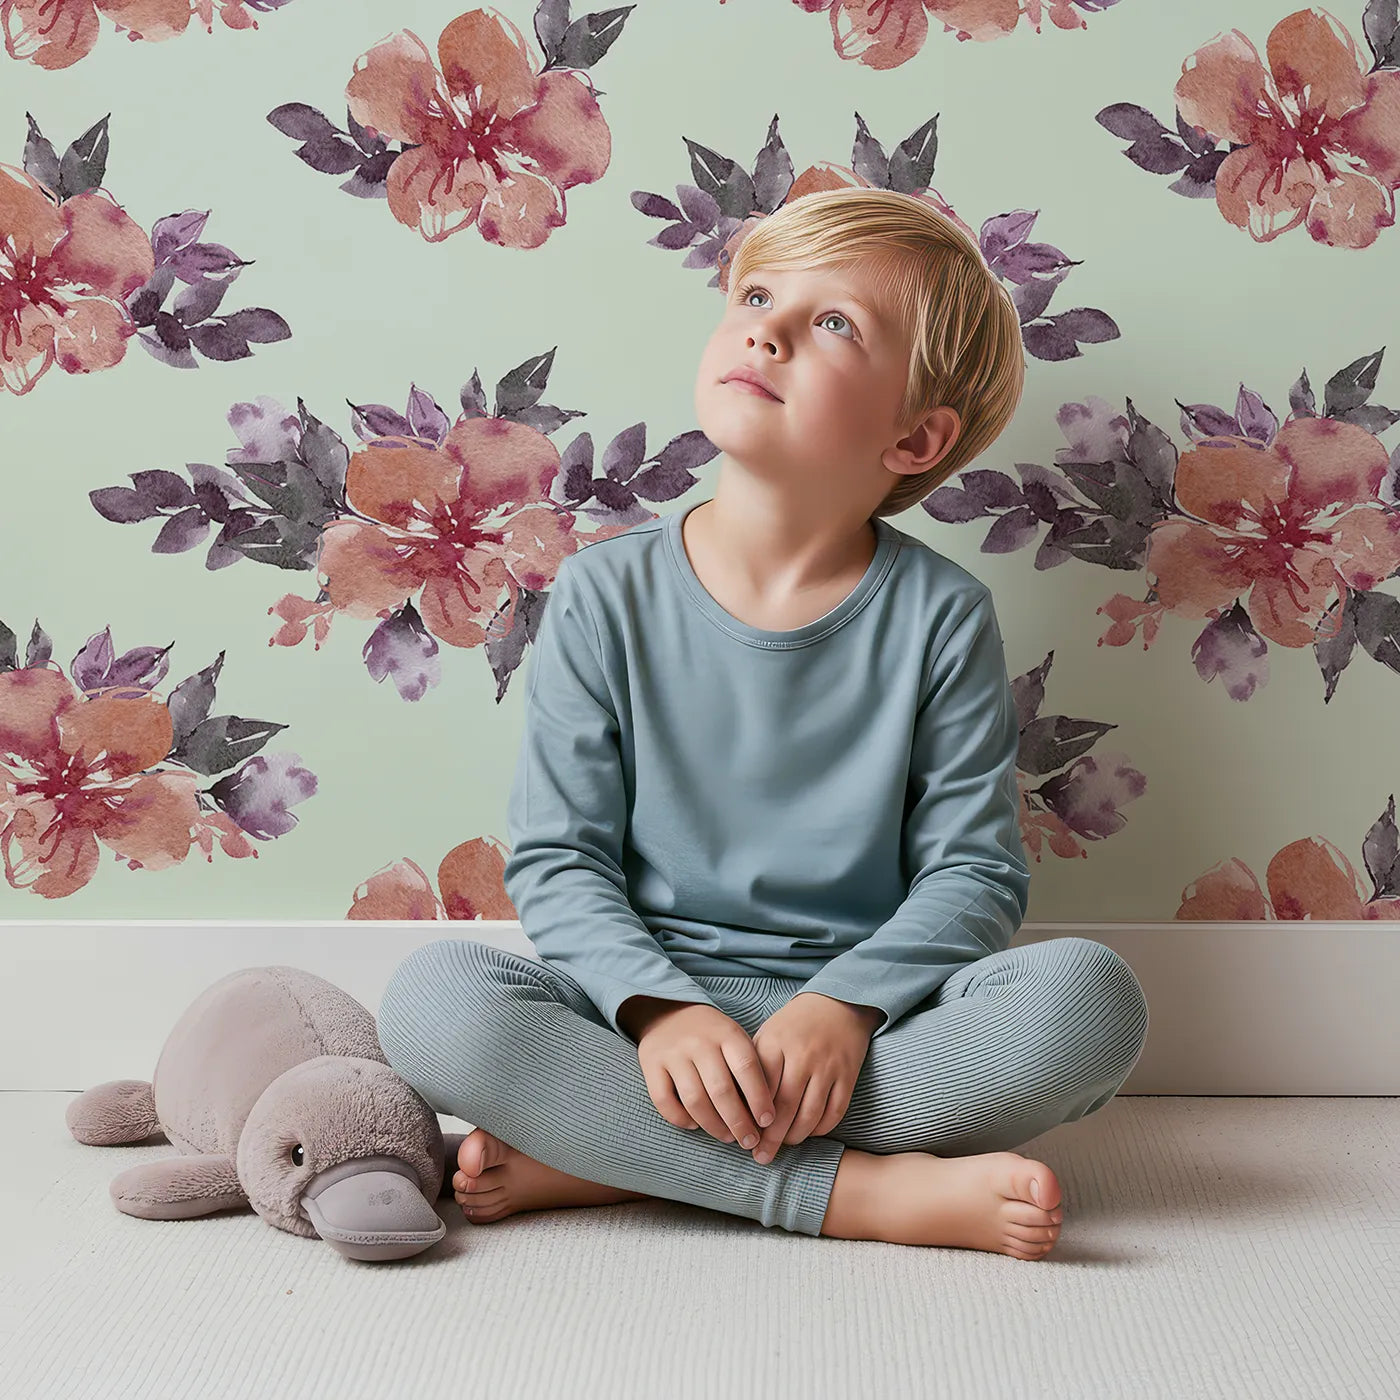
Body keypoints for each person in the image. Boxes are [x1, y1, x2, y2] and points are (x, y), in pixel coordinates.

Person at [375, 186, 1149, 1258]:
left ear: (915, 437)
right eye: (755, 293)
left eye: (834, 323)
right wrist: (661, 1012)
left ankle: (609, 1155)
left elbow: (972, 877)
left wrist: (843, 1007)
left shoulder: (940, 617)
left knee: (1088, 1002)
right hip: (643, 1017)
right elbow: (559, 859)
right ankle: (858, 1194)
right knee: (432, 1002)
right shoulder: (605, 593)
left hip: (857, 1032)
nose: (766, 327)